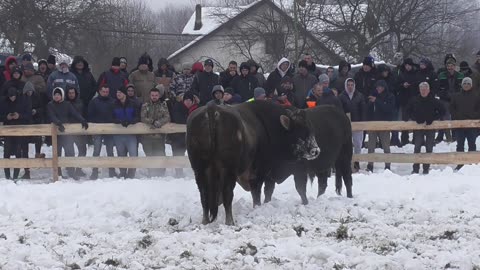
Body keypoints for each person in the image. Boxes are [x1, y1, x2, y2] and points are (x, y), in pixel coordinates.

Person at [47, 87, 89, 180]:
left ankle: (71, 171)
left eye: (58, 94)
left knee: (70, 152)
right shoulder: (50, 105)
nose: (56, 96)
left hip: (66, 133)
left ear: (61, 95)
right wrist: (58, 123)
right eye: (55, 94)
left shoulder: (67, 104)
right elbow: (51, 116)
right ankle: (58, 173)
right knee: (57, 153)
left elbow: (74, 113)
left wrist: (83, 120)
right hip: (56, 133)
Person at [406, 82, 446, 174]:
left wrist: (433, 118)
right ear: (419, 90)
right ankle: (415, 168)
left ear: (428, 90)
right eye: (422, 89)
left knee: (429, 148)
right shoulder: (414, 100)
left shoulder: (434, 100)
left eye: (425, 89)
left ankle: (426, 168)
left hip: (430, 127)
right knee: (417, 148)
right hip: (418, 127)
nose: (423, 91)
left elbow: (443, 111)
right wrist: (415, 118)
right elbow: (408, 111)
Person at [450, 77, 480, 171]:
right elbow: (452, 109)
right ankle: (460, 163)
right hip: (459, 125)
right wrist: (457, 118)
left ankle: (472, 163)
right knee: (460, 145)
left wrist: (472, 116)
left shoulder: (476, 96)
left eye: (468, 84)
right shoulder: (456, 96)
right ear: (462, 85)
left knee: (472, 144)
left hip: (472, 125)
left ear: (471, 85)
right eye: (464, 84)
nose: (466, 85)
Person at [1, 87, 31, 180]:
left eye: (13, 96)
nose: (12, 98)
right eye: (10, 97)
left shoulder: (22, 101)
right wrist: (6, 117)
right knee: (7, 152)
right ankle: (7, 175)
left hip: (19, 130)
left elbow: (28, 114)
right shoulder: (4, 102)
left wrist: (19, 116)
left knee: (18, 152)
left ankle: (15, 175)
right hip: (8, 130)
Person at [88, 85, 116, 179]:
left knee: (110, 151)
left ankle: (112, 171)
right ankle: (94, 171)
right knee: (96, 151)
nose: (105, 93)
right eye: (104, 91)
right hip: (97, 128)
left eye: (107, 92)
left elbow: (115, 114)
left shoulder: (112, 101)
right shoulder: (94, 102)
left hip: (109, 128)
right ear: (100, 91)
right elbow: (90, 114)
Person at [366, 80, 395, 172]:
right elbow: (367, 109)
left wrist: (377, 101)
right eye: (377, 87)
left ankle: (387, 165)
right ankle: (370, 165)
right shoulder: (372, 95)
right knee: (371, 146)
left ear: (384, 87)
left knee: (386, 146)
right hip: (372, 124)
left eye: (381, 87)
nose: (379, 88)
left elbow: (388, 109)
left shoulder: (390, 96)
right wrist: (370, 102)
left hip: (384, 124)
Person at [168, 91, 199, 178]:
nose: (188, 102)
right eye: (186, 100)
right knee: (178, 154)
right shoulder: (178, 107)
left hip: (193, 136)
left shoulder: (197, 108)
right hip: (178, 136)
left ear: (193, 101)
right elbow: (178, 119)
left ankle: (196, 172)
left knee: (195, 155)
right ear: (183, 100)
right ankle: (179, 172)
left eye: (190, 100)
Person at [141, 87, 171, 177]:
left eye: (156, 95)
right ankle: (151, 173)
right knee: (149, 155)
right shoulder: (145, 105)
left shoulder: (163, 105)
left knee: (160, 154)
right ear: (150, 95)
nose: (154, 97)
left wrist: (159, 122)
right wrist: (152, 122)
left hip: (159, 136)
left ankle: (161, 173)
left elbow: (167, 117)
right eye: (153, 95)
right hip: (147, 136)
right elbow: (143, 117)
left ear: (159, 96)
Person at [112, 85, 140, 179]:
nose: (118, 94)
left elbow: (138, 117)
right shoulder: (114, 104)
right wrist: (119, 121)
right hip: (118, 134)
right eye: (117, 92)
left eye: (120, 92)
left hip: (131, 133)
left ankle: (131, 173)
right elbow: (111, 117)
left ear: (124, 94)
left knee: (133, 154)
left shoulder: (133, 103)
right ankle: (122, 172)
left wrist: (130, 121)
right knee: (121, 154)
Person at [339, 78, 367, 172]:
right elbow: (340, 110)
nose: (350, 87)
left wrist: (362, 122)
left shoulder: (359, 95)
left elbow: (363, 110)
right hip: (345, 124)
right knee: (346, 144)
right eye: (348, 85)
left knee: (358, 143)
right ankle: (347, 162)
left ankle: (356, 162)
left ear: (354, 85)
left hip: (357, 123)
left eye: (352, 85)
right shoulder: (342, 96)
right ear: (345, 85)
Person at [436, 55, 464, 143]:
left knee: (455, 118)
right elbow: (438, 88)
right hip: (445, 100)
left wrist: (457, 96)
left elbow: (462, 88)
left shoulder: (460, 75)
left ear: (454, 66)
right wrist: (445, 95)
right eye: (448, 66)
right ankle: (448, 137)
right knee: (445, 118)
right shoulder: (441, 75)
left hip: (457, 100)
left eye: (451, 66)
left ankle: (455, 136)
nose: (450, 68)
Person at [65, 85, 88, 178]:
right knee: (69, 151)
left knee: (83, 150)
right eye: (69, 93)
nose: (71, 95)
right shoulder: (65, 103)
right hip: (68, 130)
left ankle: (78, 168)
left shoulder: (81, 102)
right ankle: (70, 169)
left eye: (73, 93)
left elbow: (84, 113)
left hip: (79, 129)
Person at [396, 58, 418, 146]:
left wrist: (412, 85)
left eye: (409, 65)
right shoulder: (401, 73)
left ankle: (416, 139)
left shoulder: (416, 73)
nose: (408, 67)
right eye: (406, 65)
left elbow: (418, 84)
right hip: (404, 100)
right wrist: (402, 85)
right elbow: (397, 85)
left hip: (414, 99)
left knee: (416, 120)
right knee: (404, 120)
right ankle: (404, 139)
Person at [24, 82, 46, 160]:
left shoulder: (37, 97)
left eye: (30, 91)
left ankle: (37, 153)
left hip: (36, 120)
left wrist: (36, 111)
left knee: (38, 138)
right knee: (24, 140)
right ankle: (25, 156)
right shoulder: (23, 98)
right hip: (26, 122)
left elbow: (42, 108)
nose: (29, 92)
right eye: (28, 91)